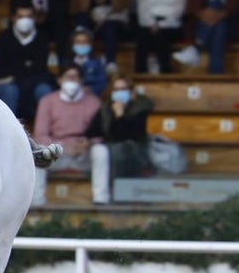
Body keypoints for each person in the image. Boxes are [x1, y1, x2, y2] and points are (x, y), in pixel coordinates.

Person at [31, 65, 104, 206]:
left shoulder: (93, 102)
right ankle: (36, 203)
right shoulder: (47, 101)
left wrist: (88, 143)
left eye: (75, 77)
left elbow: (100, 133)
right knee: (38, 151)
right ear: (59, 80)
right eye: (67, 77)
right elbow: (40, 134)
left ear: (81, 81)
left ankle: (101, 198)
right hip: (58, 153)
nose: (71, 80)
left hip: (83, 153)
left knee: (101, 151)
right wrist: (63, 146)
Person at [84, 74, 154, 203]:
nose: (119, 93)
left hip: (136, 151)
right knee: (99, 150)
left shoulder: (141, 108)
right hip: (112, 150)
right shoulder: (106, 108)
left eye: (123, 89)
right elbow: (92, 131)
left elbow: (127, 136)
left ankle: (119, 195)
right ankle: (101, 198)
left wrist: (120, 115)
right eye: (116, 90)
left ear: (132, 92)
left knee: (118, 150)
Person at [0, 5, 56, 121]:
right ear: (13, 18)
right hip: (10, 86)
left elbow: (40, 68)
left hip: (32, 83)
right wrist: (27, 68)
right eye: (21, 16)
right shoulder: (4, 37)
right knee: (10, 90)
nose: (24, 20)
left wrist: (15, 75)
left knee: (44, 89)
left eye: (28, 16)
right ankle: (9, 131)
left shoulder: (42, 38)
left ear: (34, 18)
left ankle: (44, 131)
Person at [67, 25, 107, 97]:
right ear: (73, 45)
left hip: (90, 97)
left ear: (90, 44)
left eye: (84, 42)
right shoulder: (67, 63)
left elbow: (102, 83)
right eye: (78, 42)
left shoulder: (97, 63)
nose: (81, 44)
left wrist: (90, 90)